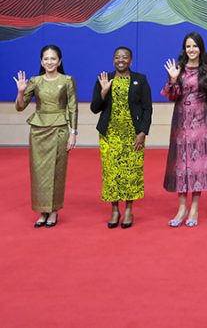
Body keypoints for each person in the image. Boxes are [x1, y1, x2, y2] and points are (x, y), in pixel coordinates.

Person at [162, 32, 207, 227]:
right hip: (181, 120)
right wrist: (173, 80)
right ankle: (181, 208)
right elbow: (172, 96)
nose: (192, 50)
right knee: (181, 164)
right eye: (188, 46)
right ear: (184, 49)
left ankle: (195, 209)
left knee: (198, 164)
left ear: (201, 49)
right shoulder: (177, 70)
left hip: (202, 121)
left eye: (195, 46)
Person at [14, 45, 78, 228]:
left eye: (53, 58)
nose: (49, 62)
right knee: (39, 171)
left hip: (59, 130)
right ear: (41, 61)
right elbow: (20, 107)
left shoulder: (67, 80)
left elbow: (73, 108)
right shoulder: (34, 81)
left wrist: (73, 133)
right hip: (38, 131)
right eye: (46, 59)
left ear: (59, 61)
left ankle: (54, 212)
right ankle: (42, 211)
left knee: (57, 171)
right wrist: (20, 91)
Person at [90, 46, 153, 229]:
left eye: (125, 57)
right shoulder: (104, 79)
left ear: (131, 61)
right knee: (112, 173)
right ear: (113, 60)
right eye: (117, 57)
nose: (121, 60)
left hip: (133, 135)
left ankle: (128, 210)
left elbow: (148, 108)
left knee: (131, 173)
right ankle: (115, 210)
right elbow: (95, 108)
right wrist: (103, 92)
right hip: (110, 135)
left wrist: (142, 132)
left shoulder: (140, 80)